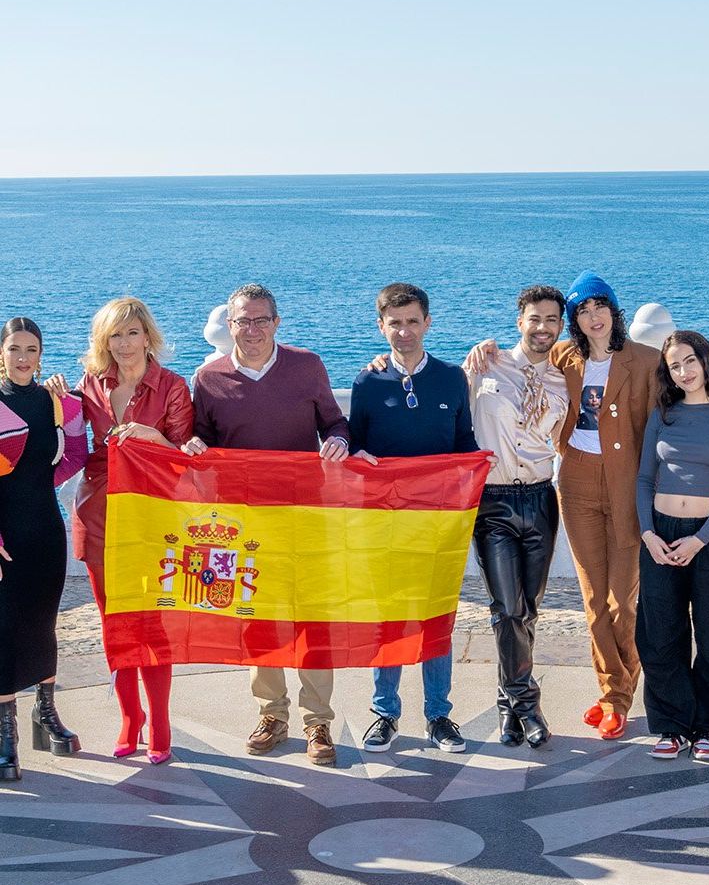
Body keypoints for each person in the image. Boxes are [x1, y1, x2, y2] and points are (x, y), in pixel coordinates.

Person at [466, 272, 658, 739]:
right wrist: (480, 350)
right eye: (583, 311)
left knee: (622, 602)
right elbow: (523, 360)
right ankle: (611, 692)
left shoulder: (647, 360)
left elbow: (666, 423)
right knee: (593, 600)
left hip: (628, 485)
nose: (592, 318)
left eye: (600, 308)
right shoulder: (563, 358)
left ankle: (618, 690)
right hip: (574, 483)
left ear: (614, 311)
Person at [184, 282, 349, 766]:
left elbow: (335, 423)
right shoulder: (209, 378)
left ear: (277, 323)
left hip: (306, 515)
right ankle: (271, 713)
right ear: (229, 325)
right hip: (244, 523)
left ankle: (318, 721)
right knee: (258, 620)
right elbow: (202, 437)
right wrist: (193, 444)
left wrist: (338, 441)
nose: (251, 330)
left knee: (311, 620)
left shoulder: (307, 366)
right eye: (242, 321)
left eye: (261, 320)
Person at [47, 298, 194, 765]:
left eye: (132, 333)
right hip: (97, 513)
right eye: (115, 335)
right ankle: (131, 718)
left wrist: (156, 439)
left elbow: (187, 458)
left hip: (154, 518)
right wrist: (54, 394)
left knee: (153, 621)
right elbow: (64, 433)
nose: (124, 343)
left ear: (147, 336)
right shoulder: (91, 384)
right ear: (103, 341)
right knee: (114, 622)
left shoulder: (172, 386)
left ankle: (162, 721)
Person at [351, 282, 480, 754]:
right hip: (384, 523)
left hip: (439, 523)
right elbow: (357, 445)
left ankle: (439, 714)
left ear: (427, 323)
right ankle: (385, 712)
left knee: (435, 618)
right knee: (388, 618)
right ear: (380, 326)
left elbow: (464, 443)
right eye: (394, 323)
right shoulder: (368, 381)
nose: (404, 332)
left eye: (412, 322)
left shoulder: (450, 378)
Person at [467, 286, 569, 748]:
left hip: (542, 500)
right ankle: (527, 703)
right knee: (507, 608)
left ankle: (508, 703)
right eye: (534, 318)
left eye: (552, 319)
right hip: (494, 502)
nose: (543, 327)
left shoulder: (567, 379)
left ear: (561, 326)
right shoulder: (483, 366)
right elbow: (442, 404)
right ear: (519, 321)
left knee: (527, 610)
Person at [636, 331, 709, 761]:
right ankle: (671, 725)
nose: (683, 371)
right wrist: (648, 534)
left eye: (689, 361)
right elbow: (644, 479)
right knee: (660, 634)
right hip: (659, 534)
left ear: (705, 360)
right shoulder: (663, 414)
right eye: (674, 365)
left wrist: (699, 540)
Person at [0, 317, 88, 780]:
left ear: (40, 353)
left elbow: (76, 455)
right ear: (2, 352)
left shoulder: (59, 404)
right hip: (3, 537)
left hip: (45, 530)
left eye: (31, 349)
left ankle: (45, 712)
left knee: (43, 622)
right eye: (14, 348)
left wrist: (36, 483)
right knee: (4, 629)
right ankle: (5, 730)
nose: (22, 358)